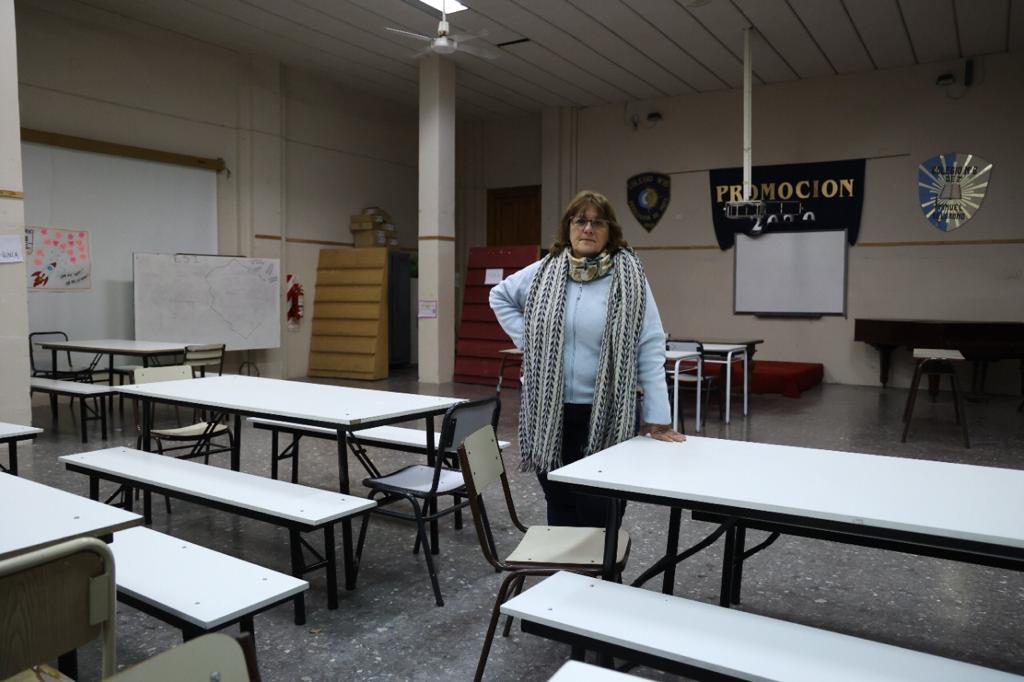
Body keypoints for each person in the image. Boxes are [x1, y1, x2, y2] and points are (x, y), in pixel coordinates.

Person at [489, 190, 684, 528]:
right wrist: (532, 340)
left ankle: (602, 573)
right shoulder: (545, 271)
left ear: (610, 231)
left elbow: (650, 346)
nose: (588, 229)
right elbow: (500, 295)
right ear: (568, 227)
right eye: (580, 221)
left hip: (607, 410)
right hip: (550, 411)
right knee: (559, 502)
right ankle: (567, 575)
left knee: (601, 507)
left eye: (598, 222)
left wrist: (658, 416)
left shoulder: (630, 278)